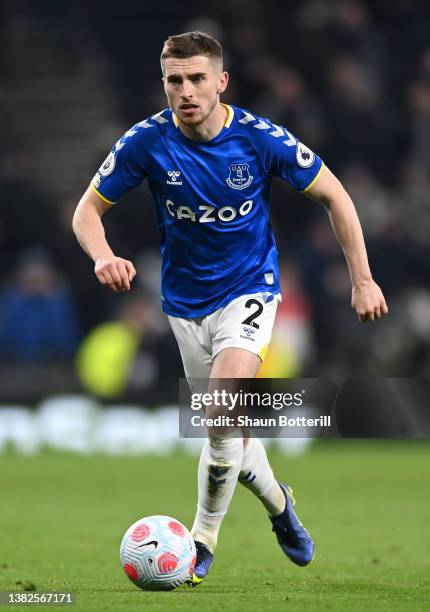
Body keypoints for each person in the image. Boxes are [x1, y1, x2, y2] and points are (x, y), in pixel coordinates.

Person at [72, 31, 388, 585]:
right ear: (164, 83)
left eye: (197, 79)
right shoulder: (145, 142)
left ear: (221, 82)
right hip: (182, 304)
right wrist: (102, 257)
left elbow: (336, 194)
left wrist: (361, 280)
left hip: (250, 289)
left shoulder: (259, 139)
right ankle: (279, 503)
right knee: (231, 436)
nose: (186, 91)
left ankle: (201, 539)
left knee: (220, 412)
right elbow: (86, 213)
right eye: (175, 80)